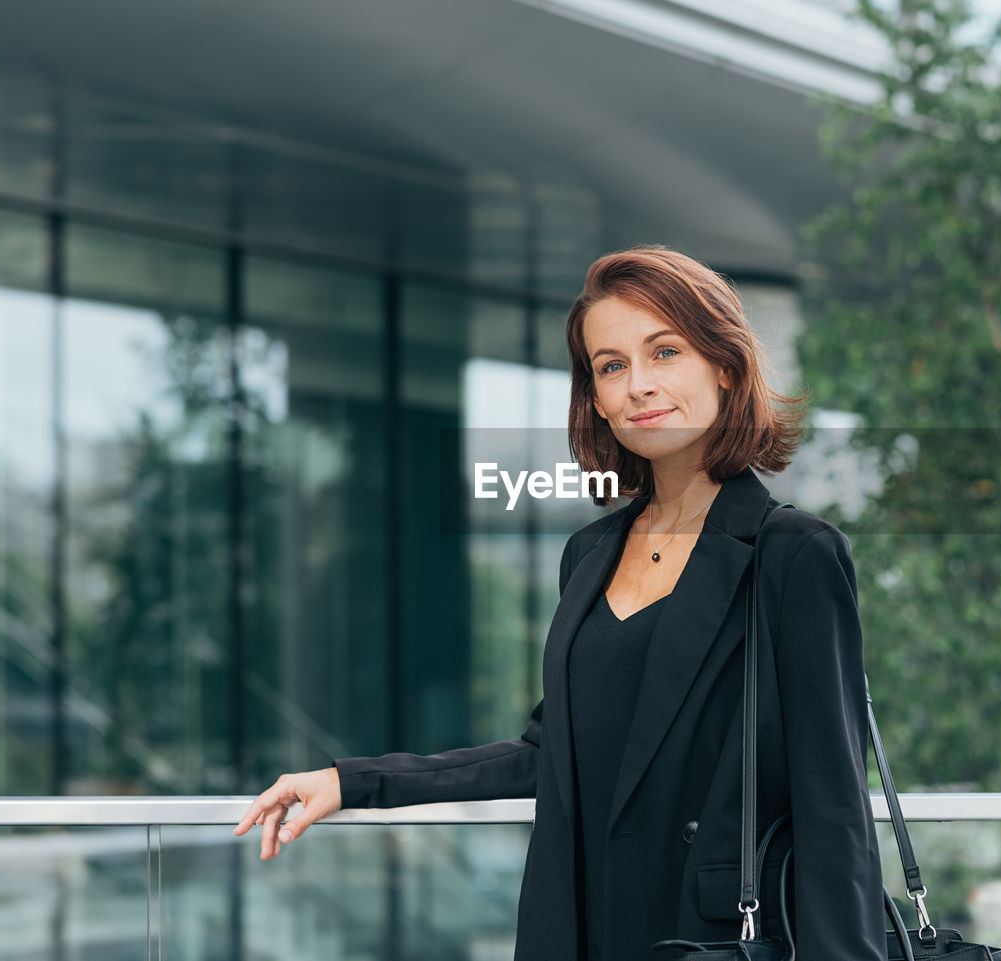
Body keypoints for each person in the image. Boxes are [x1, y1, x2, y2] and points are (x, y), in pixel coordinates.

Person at [235, 245, 888, 961]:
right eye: (610, 366)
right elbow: (546, 755)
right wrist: (353, 780)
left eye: (664, 351)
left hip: (708, 939)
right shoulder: (589, 554)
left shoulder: (793, 553)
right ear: (596, 400)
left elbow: (834, 807)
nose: (639, 384)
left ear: (724, 366)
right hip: (575, 928)